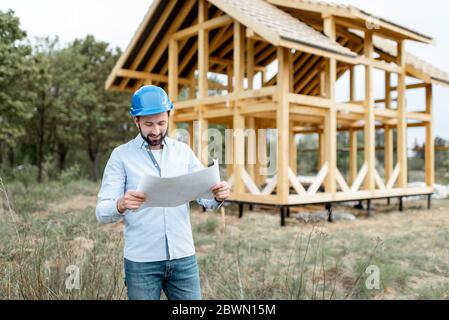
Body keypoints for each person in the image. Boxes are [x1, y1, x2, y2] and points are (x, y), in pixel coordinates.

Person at [95, 85, 230, 300]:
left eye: (161, 123)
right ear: (136, 120)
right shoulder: (121, 156)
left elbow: (205, 196)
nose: (156, 130)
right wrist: (120, 204)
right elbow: (102, 212)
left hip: (184, 259)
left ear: (168, 117)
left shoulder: (182, 152)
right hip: (142, 262)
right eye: (148, 124)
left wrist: (217, 195)